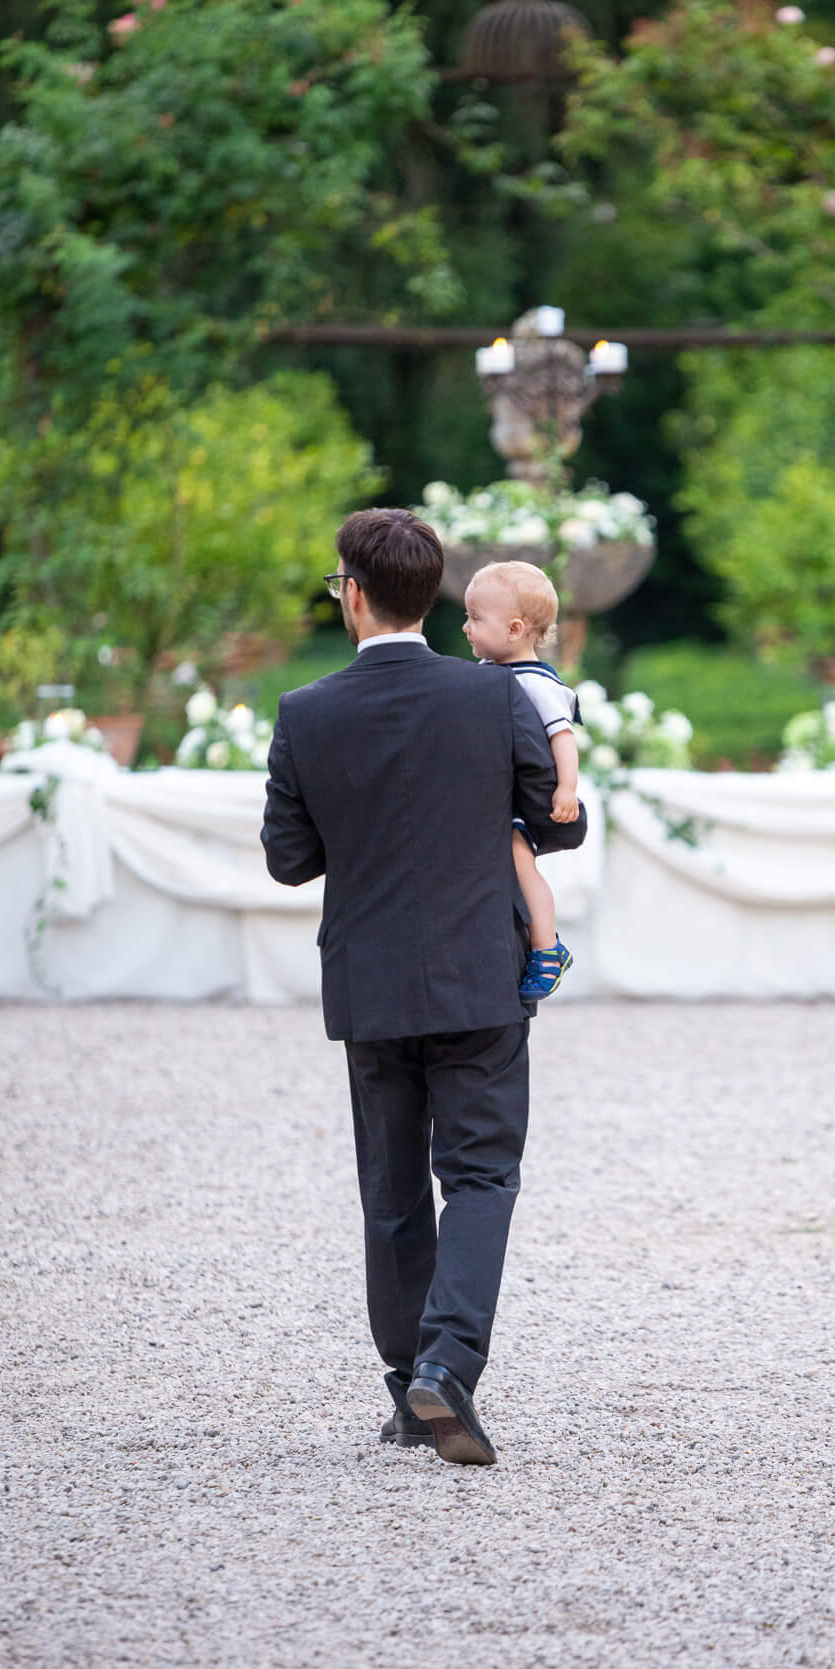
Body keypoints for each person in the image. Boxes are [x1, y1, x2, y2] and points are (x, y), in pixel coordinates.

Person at [260, 507, 587, 1467]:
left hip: (370, 981)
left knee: (392, 1189)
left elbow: (288, 860)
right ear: (431, 595)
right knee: (480, 1176)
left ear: (354, 595)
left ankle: (410, 1387)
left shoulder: (305, 712)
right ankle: (446, 1367)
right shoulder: (495, 696)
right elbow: (557, 825)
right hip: (479, 974)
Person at [462, 560, 578, 1002]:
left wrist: (566, 788)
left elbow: (562, 737)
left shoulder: (536, 683)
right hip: (490, 796)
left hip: (519, 801)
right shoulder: (487, 673)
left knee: (521, 864)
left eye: (475, 618)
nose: (466, 627)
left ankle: (547, 947)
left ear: (514, 629)